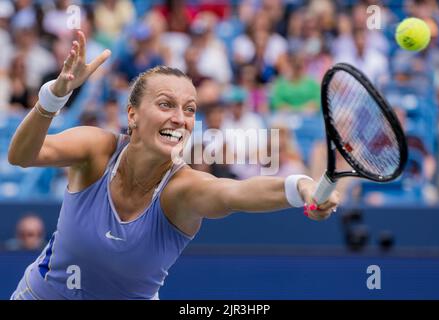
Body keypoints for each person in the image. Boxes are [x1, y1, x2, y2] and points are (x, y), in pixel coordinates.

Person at [8, 31, 339, 300]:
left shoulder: (182, 190)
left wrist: (302, 187)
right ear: (132, 114)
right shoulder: (97, 149)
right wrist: (54, 96)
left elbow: (237, 192)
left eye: (190, 109)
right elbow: (22, 155)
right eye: (166, 104)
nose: (180, 119)